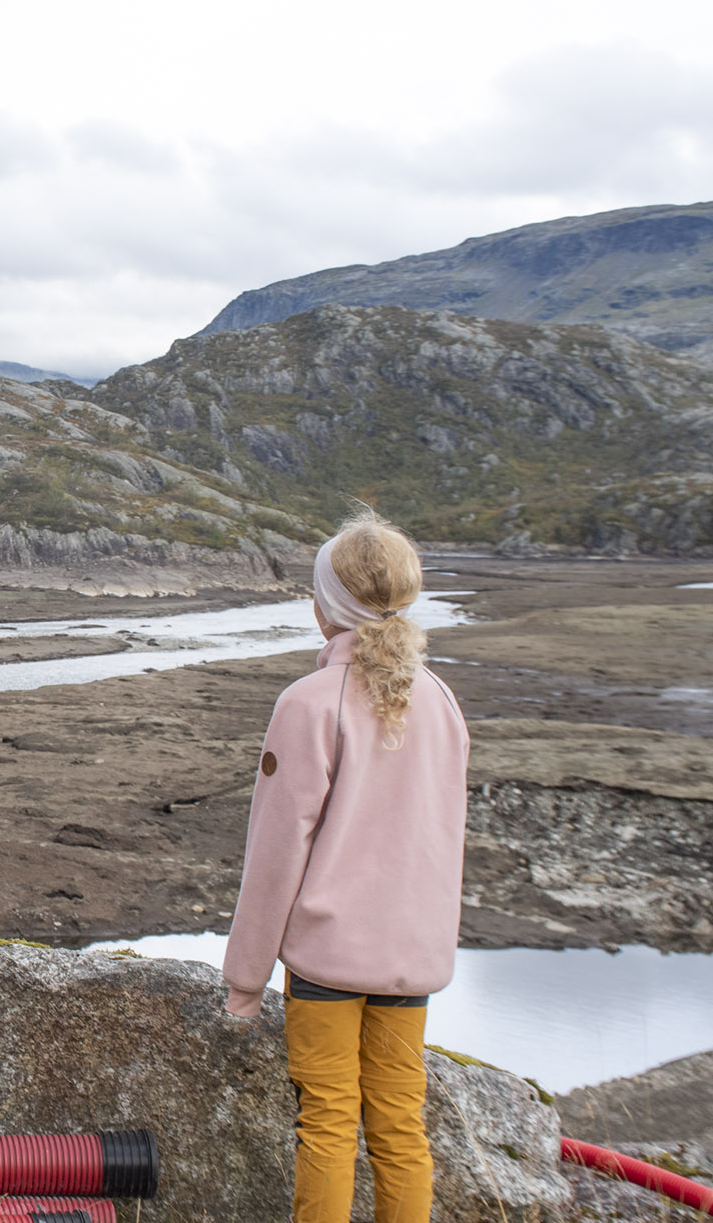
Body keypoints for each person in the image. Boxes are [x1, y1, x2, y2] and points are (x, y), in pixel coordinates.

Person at [220, 511, 471, 1223]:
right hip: (410, 957)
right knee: (400, 1125)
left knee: (328, 1123)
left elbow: (276, 853)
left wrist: (245, 982)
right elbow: (442, 835)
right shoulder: (440, 700)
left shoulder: (307, 703)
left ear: (323, 606)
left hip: (329, 959)